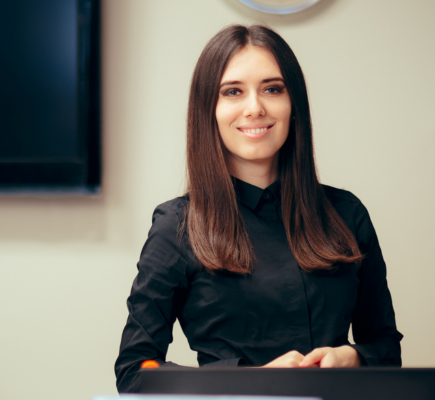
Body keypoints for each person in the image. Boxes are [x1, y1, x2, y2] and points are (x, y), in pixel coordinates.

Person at [114, 24, 403, 393]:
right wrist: (253, 380)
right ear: (209, 110)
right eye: (233, 92)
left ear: (293, 103)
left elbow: (385, 349)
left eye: (272, 89)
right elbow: (135, 370)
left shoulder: (346, 213)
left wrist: (354, 358)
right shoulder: (177, 226)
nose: (255, 107)